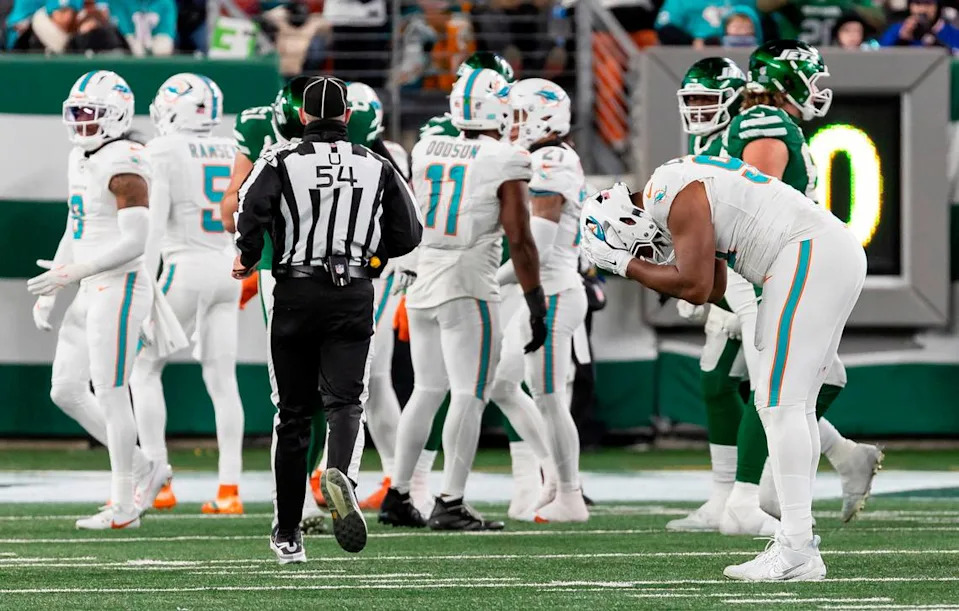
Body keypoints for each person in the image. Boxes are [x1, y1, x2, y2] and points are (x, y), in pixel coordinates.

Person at [581, 152, 867, 580]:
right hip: (819, 253)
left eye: (634, 245)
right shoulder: (677, 183)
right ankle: (796, 543)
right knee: (790, 406)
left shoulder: (667, 193)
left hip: (806, 252)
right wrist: (652, 271)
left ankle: (797, 550)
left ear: (624, 222)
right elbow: (709, 287)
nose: (648, 253)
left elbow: (692, 283)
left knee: (779, 405)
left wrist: (626, 264)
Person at [234, 75, 422, 561]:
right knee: (346, 402)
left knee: (293, 415)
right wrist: (371, 260)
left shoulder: (279, 158)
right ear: (346, 116)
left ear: (301, 117)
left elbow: (248, 208)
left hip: (295, 288)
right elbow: (409, 233)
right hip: (354, 291)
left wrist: (248, 254)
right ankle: (339, 472)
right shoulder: (375, 163)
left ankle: (288, 532)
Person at [378, 68, 548, 531]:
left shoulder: (428, 145)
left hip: (424, 275)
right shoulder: (505, 157)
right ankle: (449, 501)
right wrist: (535, 299)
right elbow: (520, 237)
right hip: (469, 282)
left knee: (426, 390)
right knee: (469, 394)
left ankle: (397, 493)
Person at [721, 41, 883, 528]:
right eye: (808, 77)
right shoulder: (764, 124)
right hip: (770, 269)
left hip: (781, 267)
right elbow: (759, 206)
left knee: (810, 380)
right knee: (775, 388)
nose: (816, 89)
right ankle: (748, 498)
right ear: (785, 79)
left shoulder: (771, 121)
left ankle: (841, 459)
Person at [28, 70, 166, 529]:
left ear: (118, 115)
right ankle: (147, 467)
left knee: (110, 392)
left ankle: (125, 503)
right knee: (66, 389)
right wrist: (57, 282)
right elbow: (77, 224)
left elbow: (136, 241)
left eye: (92, 113)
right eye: (78, 112)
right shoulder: (81, 156)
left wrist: (77, 271)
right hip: (90, 285)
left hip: (121, 286)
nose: (83, 121)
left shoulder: (126, 160)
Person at [129, 73, 246, 515]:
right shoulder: (231, 146)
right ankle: (229, 490)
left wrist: (143, 283)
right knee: (222, 381)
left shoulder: (162, 149)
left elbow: (154, 226)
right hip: (225, 267)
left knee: (143, 367)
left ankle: (159, 479)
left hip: (183, 266)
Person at [220, 75, 329, 532]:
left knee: (335, 391)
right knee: (294, 390)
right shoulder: (260, 132)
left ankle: (317, 488)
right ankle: (294, 499)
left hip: (336, 265)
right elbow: (229, 210)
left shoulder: (346, 134)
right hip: (281, 268)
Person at [491, 78, 589, 523]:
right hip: (540, 291)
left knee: (548, 395)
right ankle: (553, 473)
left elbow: (540, 247)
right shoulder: (536, 157)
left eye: (515, 116)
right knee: (503, 385)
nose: (508, 125)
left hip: (553, 294)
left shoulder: (551, 158)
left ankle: (570, 493)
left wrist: (486, 281)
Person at [655, 0, 758, 46]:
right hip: (694, 51)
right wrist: (693, 42)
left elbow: (757, 22)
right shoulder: (679, 1)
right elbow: (666, 28)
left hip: (737, 47)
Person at [879, 0, 959, 50]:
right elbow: (882, 57)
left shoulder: (953, 34)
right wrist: (901, 40)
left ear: (938, 7)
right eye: (917, 3)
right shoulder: (896, 31)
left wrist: (931, 39)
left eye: (928, 3)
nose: (922, 9)